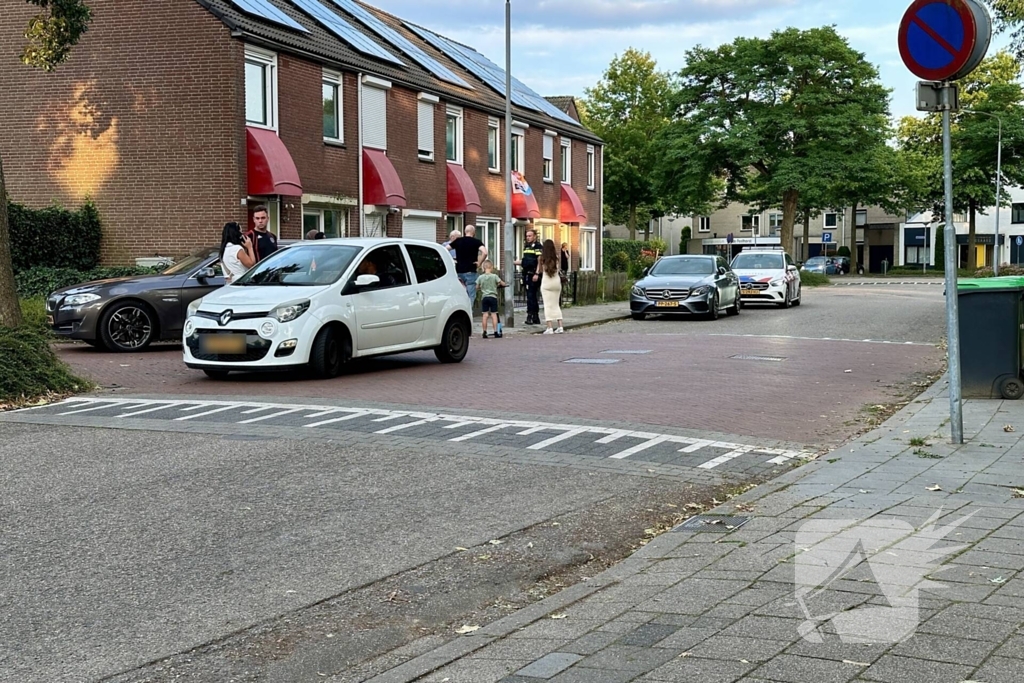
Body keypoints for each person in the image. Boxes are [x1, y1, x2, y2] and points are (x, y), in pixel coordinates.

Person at [449, 225, 487, 302]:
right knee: (470, 295)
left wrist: (451, 260)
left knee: (459, 295)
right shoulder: (476, 242)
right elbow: (485, 252)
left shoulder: (458, 241)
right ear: (474, 232)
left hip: (459, 271)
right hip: (470, 271)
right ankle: (469, 312)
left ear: (465, 232)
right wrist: (479, 262)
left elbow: (446, 248)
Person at [516, 228, 543, 325]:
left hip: (533, 274)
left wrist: (537, 273)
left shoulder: (537, 246)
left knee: (531, 296)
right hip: (527, 273)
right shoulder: (527, 247)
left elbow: (539, 260)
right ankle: (535, 317)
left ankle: (531, 315)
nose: (528, 238)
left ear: (535, 236)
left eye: (530, 236)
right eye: (527, 236)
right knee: (530, 296)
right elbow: (526, 261)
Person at [539, 239, 564, 334]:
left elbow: (541, 270)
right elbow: (558, 269)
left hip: (546, 282)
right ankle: (560, 326)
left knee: (547, 305)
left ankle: (549, 328)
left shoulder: (542, 258)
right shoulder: (557, 257)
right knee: (556, 304)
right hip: (556, 282)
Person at [476, 260, 506, 339]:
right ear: (491, 267)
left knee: (485, 315)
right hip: (493, 297)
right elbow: (503, 283)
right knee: (494, 314)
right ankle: (496, 331)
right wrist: (499, 284)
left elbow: (477, 287)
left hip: (484, 297)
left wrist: (481, 287)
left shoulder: (480, 277)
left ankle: (484, 331)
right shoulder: (494, 276)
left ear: (483, 268)